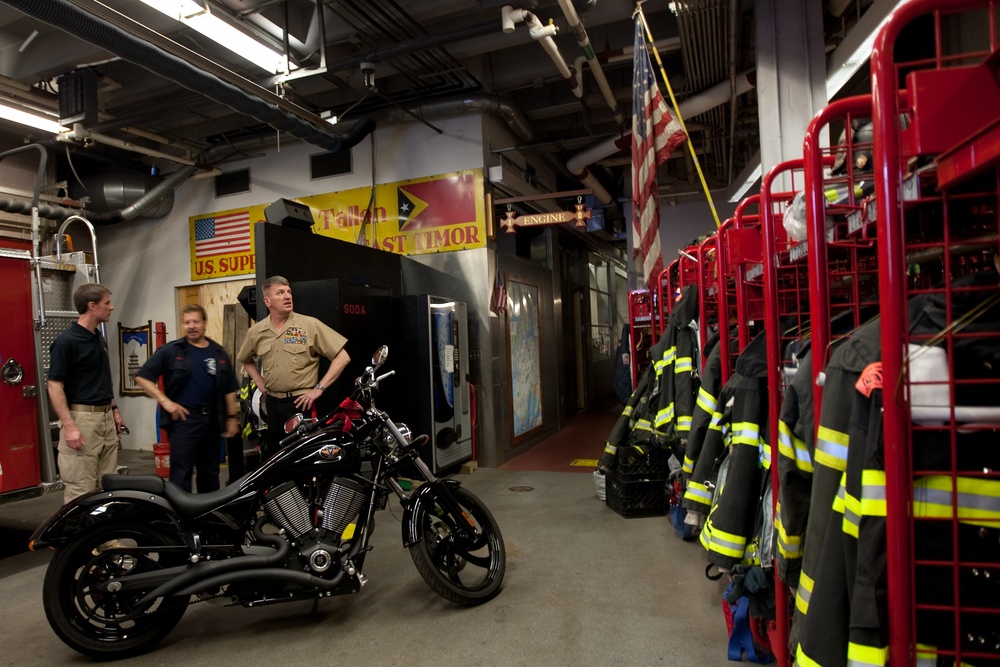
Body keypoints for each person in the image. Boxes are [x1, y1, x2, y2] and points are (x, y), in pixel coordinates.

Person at [236, 276, 350, 459]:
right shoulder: (256, 332)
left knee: (303, 456)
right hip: (272, 405)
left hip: (300, 403)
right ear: (267, 301)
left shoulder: (309, 325)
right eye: (280, 293)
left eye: (288, 292)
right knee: (275, 456)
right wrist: (260, 382)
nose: (287, 296)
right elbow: (245, 359)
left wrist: (318, 389)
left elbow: (342, 357)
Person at [135, 304, 240, 492]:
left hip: (212, 422)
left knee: (210, 472)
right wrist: (166, 402)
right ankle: (180, 518)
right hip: (184, 421)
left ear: (204, 323)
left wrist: (232, 418)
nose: (191, 326)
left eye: (196, 322)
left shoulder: (218, 353)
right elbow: (142, 377)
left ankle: (208, 516)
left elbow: (230, 388)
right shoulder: (172, 351)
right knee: (181, 473)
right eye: (187, 322)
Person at [47, 283, 128, 504]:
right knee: (81, 488)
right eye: (107, 303)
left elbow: (101, 379)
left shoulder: (97, 338)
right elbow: (54, 386)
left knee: (107, 484)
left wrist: (114, 410)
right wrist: (70, 426)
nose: (112, 307)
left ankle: (104, 538)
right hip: (82, 419)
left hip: (104, 418)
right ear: (92, 306)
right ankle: (77, 539)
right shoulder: (67, 342)